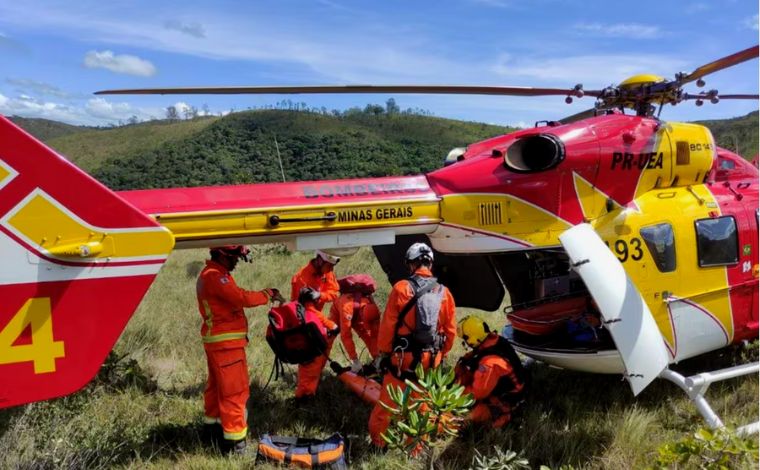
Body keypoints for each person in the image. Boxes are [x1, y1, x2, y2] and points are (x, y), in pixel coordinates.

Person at [368, 242, 457, 448]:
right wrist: (439, 355)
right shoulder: (445, 294)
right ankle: (416, 448)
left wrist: (384, 354)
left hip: (402, 359)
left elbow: (388, 327)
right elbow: (450, 333)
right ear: (430, 263)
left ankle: (378, 445)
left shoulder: (401, 288)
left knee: (387, 404)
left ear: (411, 264)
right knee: (422, 406)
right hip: (430, 361)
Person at [196, 245, 282, 454]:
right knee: (235, 393)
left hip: (219, 344)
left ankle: (212, 431)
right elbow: (240, 298)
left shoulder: (211, 274)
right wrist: (267, 294)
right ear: (222, 256)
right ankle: (235, 444)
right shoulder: (216, 276)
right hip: (226, 347)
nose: (236, 262)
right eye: (234, 258)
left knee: (217, 390)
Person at [455, 315, 526, 428]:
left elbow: (476, 393)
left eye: (465, 339)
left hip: (506, 399)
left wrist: (454, 396)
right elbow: (475, 356)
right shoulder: (492, 339)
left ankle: (505, 416)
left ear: (472, 339)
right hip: (500, 387)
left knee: (464, 416)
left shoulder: (489, 364)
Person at [294, 287, 340, 400]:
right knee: (312, 375)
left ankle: (300, 395)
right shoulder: (311, 310)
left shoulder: (297, 310)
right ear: (313, 299)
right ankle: (307, 397)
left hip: (301, 350)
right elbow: (327, 322)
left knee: (304, 376)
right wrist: (335, 327)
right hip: (313, 351)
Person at [330, 276, 380, 372]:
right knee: (328, 336)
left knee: (368, 335)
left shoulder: (373, 308)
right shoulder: (346, 308)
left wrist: (379, 356)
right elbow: (346, 336)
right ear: (362, 314)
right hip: (340, 311)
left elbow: (374, 336)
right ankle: (317, 367)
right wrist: (355, 360)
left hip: (357, 313)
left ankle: (377, 359)